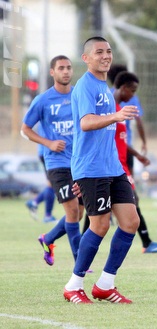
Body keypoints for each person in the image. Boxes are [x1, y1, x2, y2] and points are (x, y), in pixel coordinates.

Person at [63, 36, 139, 304]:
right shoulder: (85, 86)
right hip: (93, 168)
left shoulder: (104, 86)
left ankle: (105, 284)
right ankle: (74, 284)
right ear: (86, 58)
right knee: (100, 225)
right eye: (99, 52)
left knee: (131, 222)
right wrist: (116, 116)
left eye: (108, 51)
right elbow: (85, 123)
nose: (106, 56)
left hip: (112, 168)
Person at [21, 55, 84, 266]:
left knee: (80, 212)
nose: (65, 71)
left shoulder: (79, 95)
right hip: (57, 164)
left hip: (80, 163)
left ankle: (47, 239)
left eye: (68, 68)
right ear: (52, 72)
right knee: (73, 211)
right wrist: (48, 143)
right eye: (61, 68)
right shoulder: (43, 100)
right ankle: (80, 265)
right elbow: (25, 129)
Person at [112, 70, 157, 253]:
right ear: (123, 88)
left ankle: (146, 242)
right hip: (112, 167)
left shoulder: (118, 109)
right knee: (96, 214)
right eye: (133, 91)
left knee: (100, 213)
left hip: (121, 166)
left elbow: (121, 141)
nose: (134, 96)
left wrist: (137, 154)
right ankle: (146, 242)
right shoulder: (110, 110)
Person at [25, 139, 56, 223]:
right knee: (52, 184)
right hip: (50, 152)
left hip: (48, 152)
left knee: (52, 184)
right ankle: (47, 216)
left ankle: (34, 202)